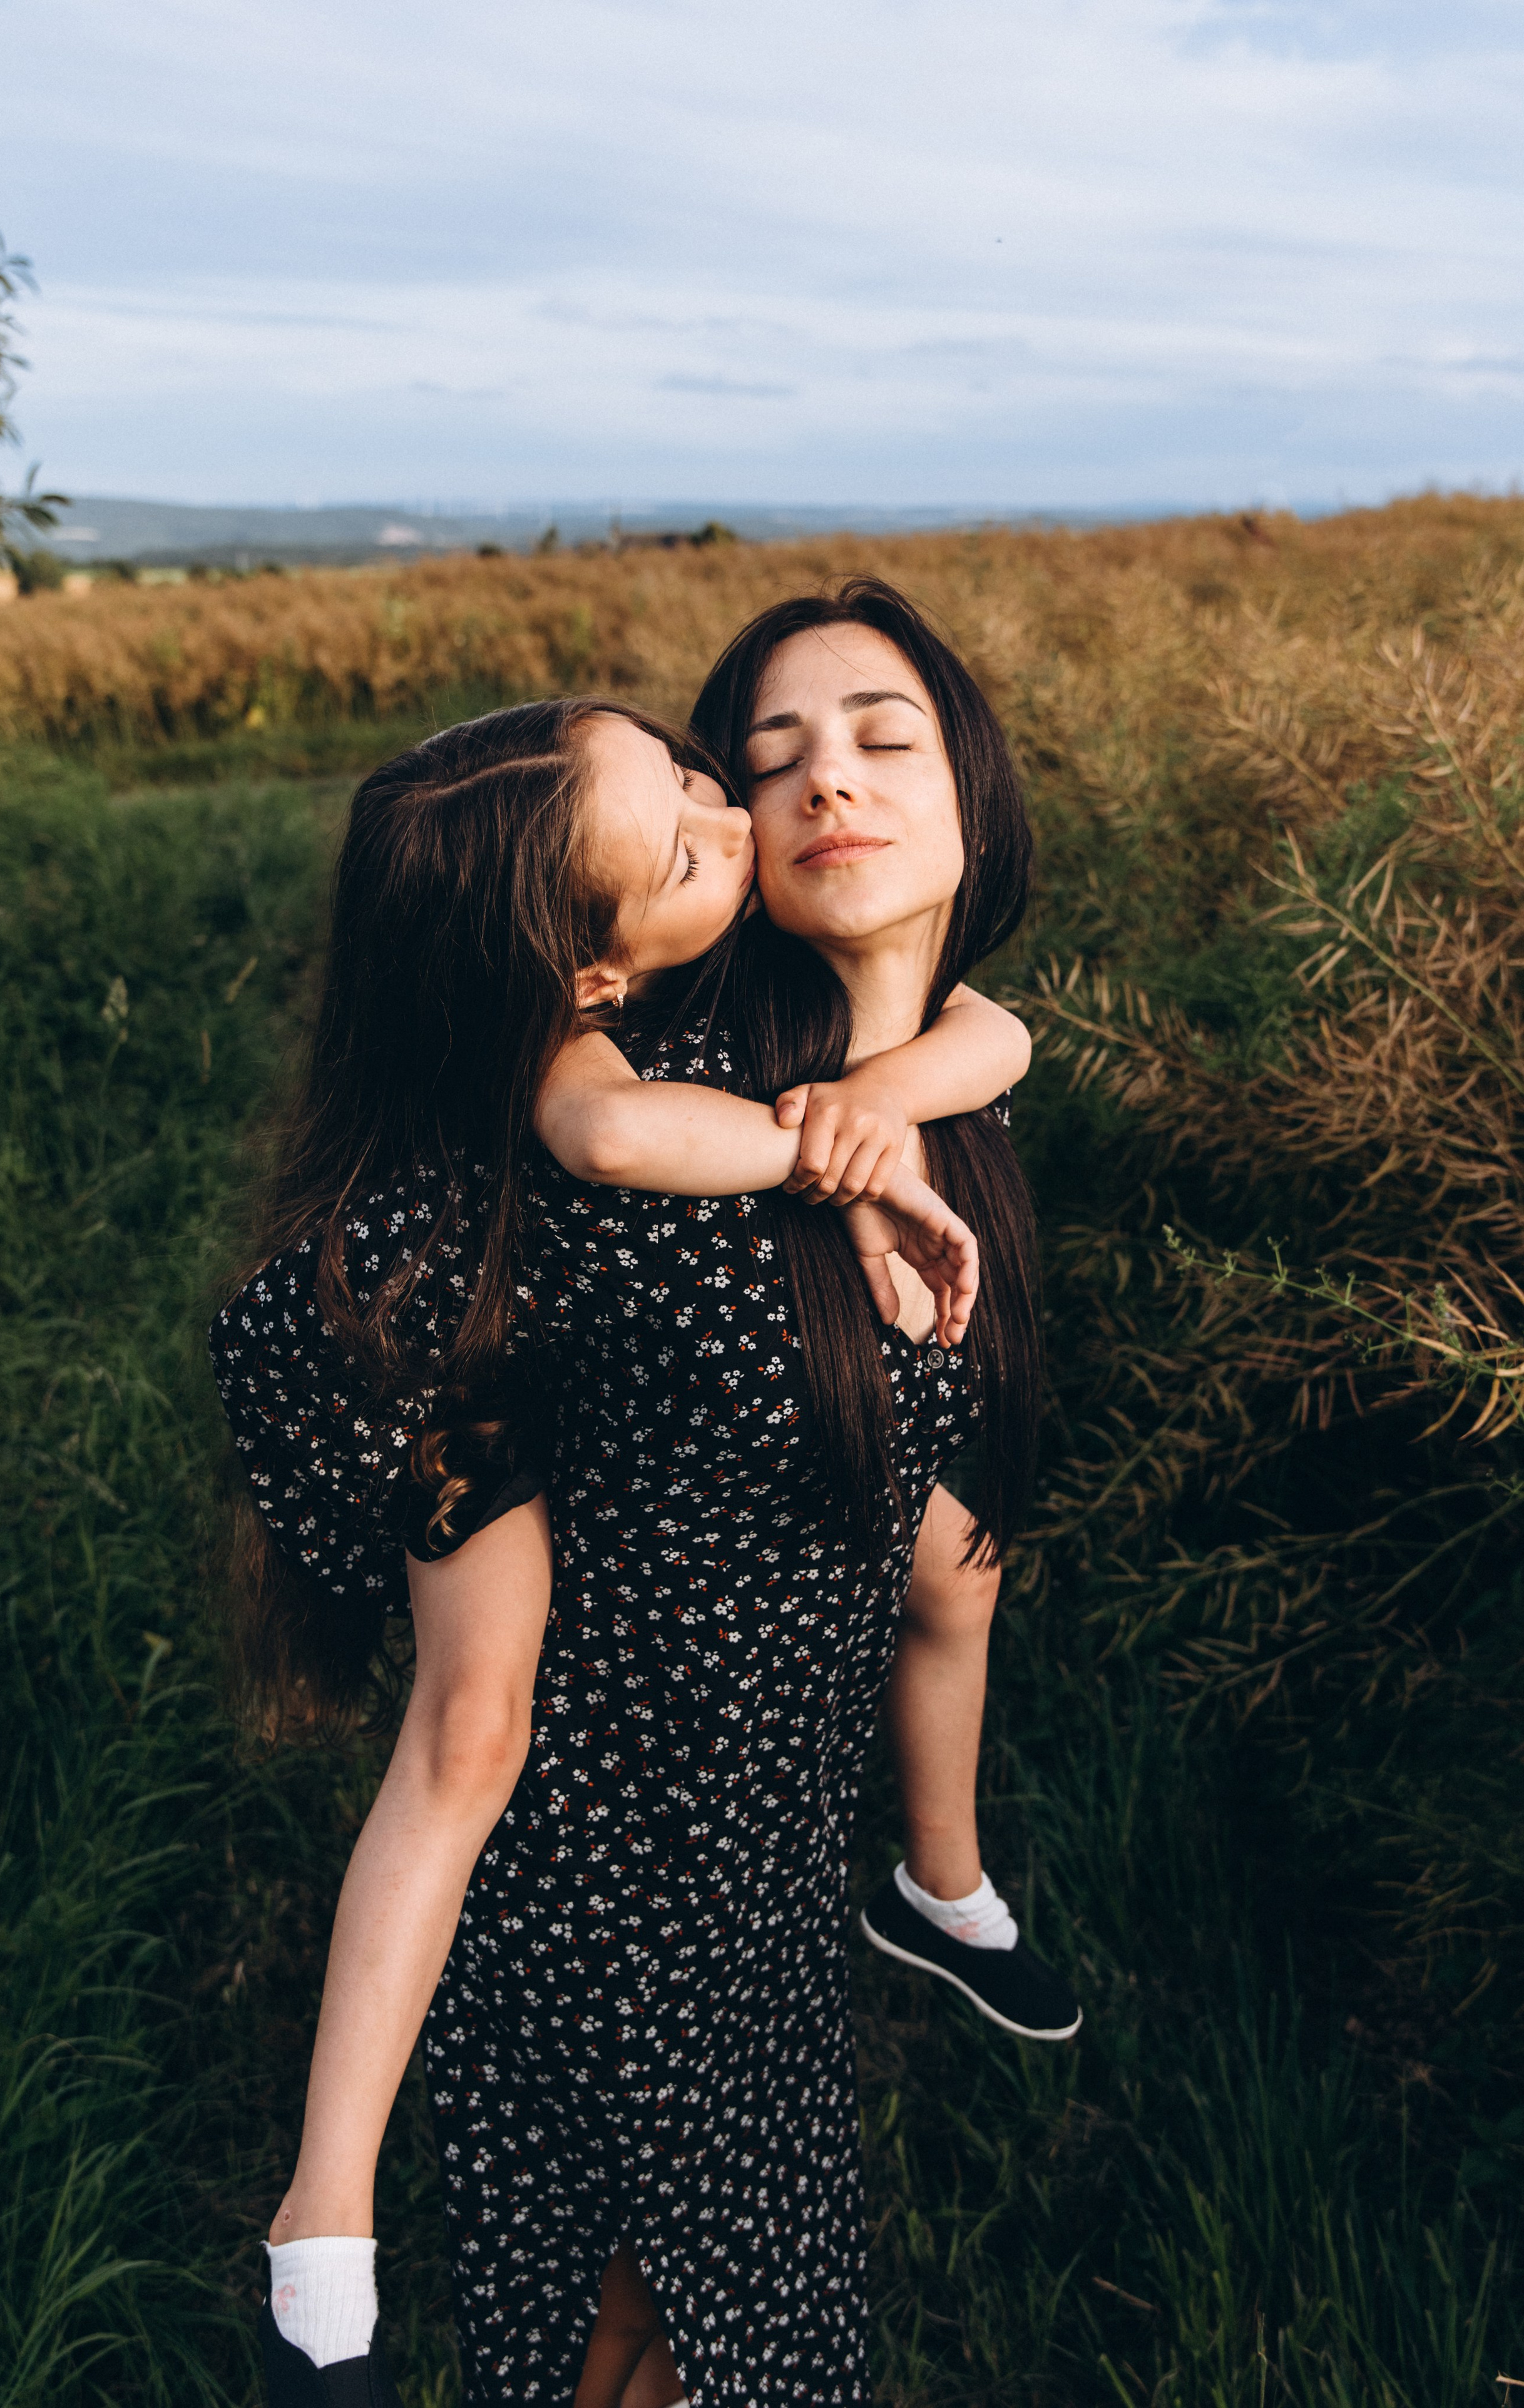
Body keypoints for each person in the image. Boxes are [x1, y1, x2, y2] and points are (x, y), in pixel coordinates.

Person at [211, 661, 1063, 2407]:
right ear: (590, 965)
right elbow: (600, 1123)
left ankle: (942, 1884)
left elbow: (1002, 1033)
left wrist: (882, 1109)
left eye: (692, 779)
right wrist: (842, 1156)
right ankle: (323, 2240)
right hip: (623, 1864)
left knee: (696, 2313)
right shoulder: (598, 1111)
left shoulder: (774, 1021)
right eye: (713, 805)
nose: (738, 817)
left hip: (756, 1831)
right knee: (666, 2324)